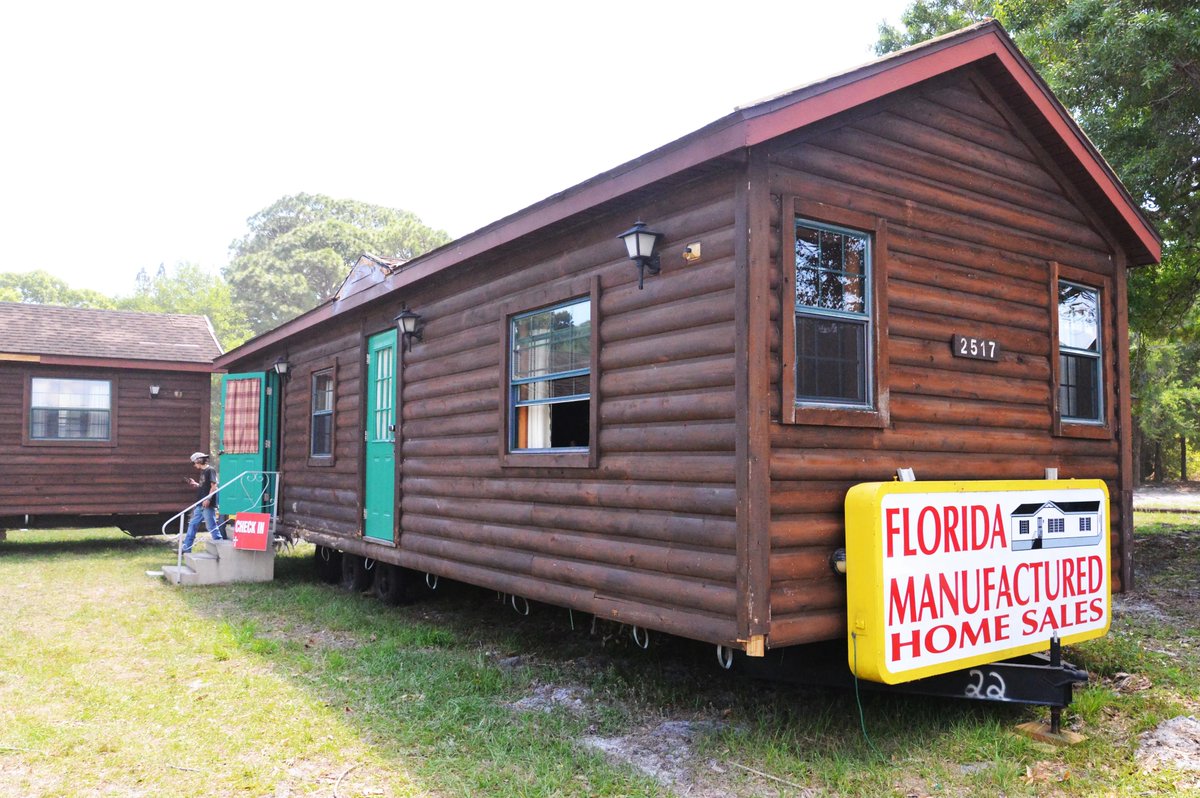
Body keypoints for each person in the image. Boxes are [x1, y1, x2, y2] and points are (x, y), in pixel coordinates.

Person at [182, 452, 224, 553]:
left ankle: (221, 547)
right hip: (200, 503)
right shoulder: (203, 471)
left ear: (199, 460)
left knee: (211, 526)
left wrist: (208, 499)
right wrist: (196, 484)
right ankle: (186, 548)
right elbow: (205, 486)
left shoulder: (210, 470)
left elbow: (214, 486)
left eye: (194, 463)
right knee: (192, 524)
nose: (194, 465)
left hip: (207, 504)